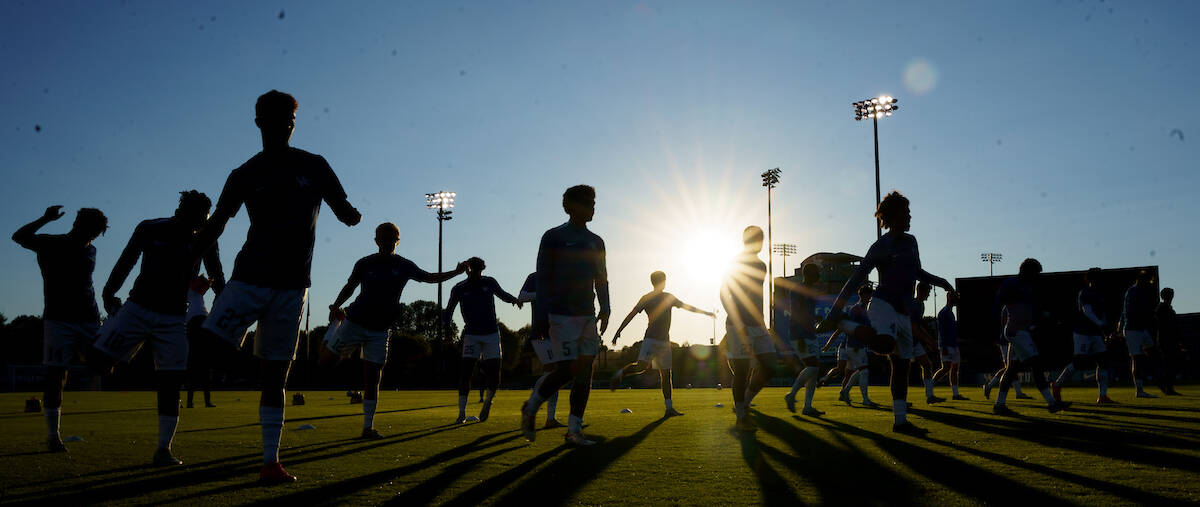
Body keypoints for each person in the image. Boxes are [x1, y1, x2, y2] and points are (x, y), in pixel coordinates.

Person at [194, 90, 363, 483]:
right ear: (258, 121)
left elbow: (342, 207)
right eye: (272, 116)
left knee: (277, 376)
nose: (281, 122)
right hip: (249, 277)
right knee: (208, 347)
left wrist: (351, 215)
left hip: (293, 286)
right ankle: (244, 357)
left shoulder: (314, 165)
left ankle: (270, 461)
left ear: (294, 122)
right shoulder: (245, 174)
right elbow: (218, 221)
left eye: (288, 116)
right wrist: (191, 256)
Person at [93, 191, 224, 466]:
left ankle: (163, 449)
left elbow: (217, 273)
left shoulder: (204, 239)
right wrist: (108, 292)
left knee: (171, 382)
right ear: (189, 212)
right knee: (98, 363)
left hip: (174, 318)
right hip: (137, 308)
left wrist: (226, 308)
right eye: (202, 215)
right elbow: (126, 260)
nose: (204, 221)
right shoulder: (150, 227)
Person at [817, 191, 954, 435]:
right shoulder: (881, 246)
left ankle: (900, 422)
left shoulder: (912, 241)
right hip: (882, 304)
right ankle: (844, 324)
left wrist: (941, 281)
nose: (910, 216)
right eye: (906, 212)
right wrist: (834, 312)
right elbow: (856, 278)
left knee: (901, 366)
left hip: (903, 311)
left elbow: (917, 272)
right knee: (884, 343)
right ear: (892, 216)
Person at [324, 222, 466, 436]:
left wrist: (456, 272)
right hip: (354, 322)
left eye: (391, 239)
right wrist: (336, 305)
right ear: (376, 240)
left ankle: (368, 427)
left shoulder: (404, 265)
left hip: (380, 330)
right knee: (326, 362)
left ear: (397, 241)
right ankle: (331, 333)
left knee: (373, 376)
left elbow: (430, 278)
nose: (387, 242)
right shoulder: (364, 263)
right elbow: (350, 287)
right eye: (383, 238)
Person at [12, 205, 108, 452]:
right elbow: (18, 237)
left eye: (96, 232)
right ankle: (53, 436)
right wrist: (45, 218)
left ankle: (89, 359)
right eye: (88, 228)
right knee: (56, 375)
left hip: (89, 319)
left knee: (103, 363)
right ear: (78, 225)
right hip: (58, 319)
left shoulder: (92, 250)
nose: (92, 235)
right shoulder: (51, 243)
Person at [520, 185, 610, 445]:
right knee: (568, 371)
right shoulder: (553, 237)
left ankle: (574, 430)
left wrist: (605, 307)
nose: (592, 207)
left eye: (594, 202)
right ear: (570, 206)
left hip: (587, 314)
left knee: (585, 371)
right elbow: (543, 279)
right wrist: (540, 317)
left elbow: (601, 278)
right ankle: (532, 405)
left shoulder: (597, 241)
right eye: (587, 202)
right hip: (561, 314)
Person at [609, 270, 714, 417]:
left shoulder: (669, 297)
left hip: (664, 341)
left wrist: (705, 313)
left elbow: (686, 306)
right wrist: (618, 331)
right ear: (662, 281)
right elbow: (632, 314)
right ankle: (620, 373)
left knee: (666, 374)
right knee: (641, 367)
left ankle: (669, 408)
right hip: (651, 339)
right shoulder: (647, 298)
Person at [444, 257, 520, 424]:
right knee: (466, 372)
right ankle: (461, 413)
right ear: (468, 269)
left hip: (492, 334)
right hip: (472, 335)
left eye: (479, 270)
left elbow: (502, 294)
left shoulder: (489, 282)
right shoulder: (459, 288)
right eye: (474, 270)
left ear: (482, 270)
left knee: (495, 371)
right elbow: (450, 308)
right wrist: (446, 325)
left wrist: (514, 300)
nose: (477, 274)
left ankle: (488, 401)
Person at [990, 258, 1071, 416]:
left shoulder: (1026, 286)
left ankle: (999, 405)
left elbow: (1028, 308)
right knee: (1036, 364)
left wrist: (1041, 315)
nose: (1037, 277)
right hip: (1017, 332)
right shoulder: (1012, 284)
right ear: (1027, 271)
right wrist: (997, 329)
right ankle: (1052, 403)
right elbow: (998, 303)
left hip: (1020, 332)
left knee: (1011, 370)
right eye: (1035, 273)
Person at [721, 226, 775, 431]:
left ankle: (746, 400)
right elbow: (724, 292)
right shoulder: (735, 263)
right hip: (738, 325)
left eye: (762, 239)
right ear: (746, 241)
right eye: (757, 239)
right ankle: (741, 416)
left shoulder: (761, 265)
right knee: (742, 372)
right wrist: (738, 321)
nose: (760, 242)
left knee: (770, 366)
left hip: (758, 325)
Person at [1050, 268, 1114, 404]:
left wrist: (1105, 330)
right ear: (1089, 279)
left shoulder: (1100, 293)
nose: (1098, 280)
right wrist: (1102, 325)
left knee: (1103, 361)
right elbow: (1087, 311)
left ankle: (1102, 396)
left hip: (1095, 333)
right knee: (1079, 362)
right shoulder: (1085, 292)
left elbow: (1101, 313)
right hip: (1082, 332)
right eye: (1095, 277)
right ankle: (1057, 384)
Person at [518, 272, 564, 429]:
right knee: (553, 372)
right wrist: (542, 294)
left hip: (558, 333)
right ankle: (532, 404)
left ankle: (550, 419)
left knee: (557, 374)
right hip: (541, 333)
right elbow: (522, 297)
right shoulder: (534, 277)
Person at [782, 263, 826, 416]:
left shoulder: (810, 290)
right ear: (808, 274)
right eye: (816, 272)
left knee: (813, 372)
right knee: (813, 367)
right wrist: (799, 335)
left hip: (810, 334)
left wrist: (816, 318)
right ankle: (792, 394)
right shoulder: (798, 290)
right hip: (800, 334)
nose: (818, 274)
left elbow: (807, 313)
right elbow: (796, 313)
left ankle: (808, 407)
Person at [826, 284, 877, 407]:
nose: (870, 297)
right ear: (863, 295)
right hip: (854, 346)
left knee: (860, 371)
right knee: (864, 371)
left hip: (858, 345)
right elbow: (850, 327)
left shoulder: (864, 310)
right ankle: (865, 399)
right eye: (869, 295)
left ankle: (845, 391)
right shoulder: (856, 310)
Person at [1119, 270, 1160, 399]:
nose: (1149, 283)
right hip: (1133, 329)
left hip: (1140, 329)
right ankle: (1139, 390)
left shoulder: (1139, 291)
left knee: (1151, 353)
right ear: (1141, 279)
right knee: (1137, 359)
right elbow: (1130, 311)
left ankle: (1153, 378)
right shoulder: (1133, 291)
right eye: (1148, 280)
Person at [908, 282, 946, 404]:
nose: (929, 295)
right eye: (928, 292)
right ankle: (901, 399)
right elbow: (913, 327)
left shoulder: (921, 305)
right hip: (906, 340)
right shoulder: (913, 305)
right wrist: (928, 341)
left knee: (927, 365)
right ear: (922, 292)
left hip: (914, 341)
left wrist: (929, 339)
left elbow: (918, 326)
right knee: (903, 369)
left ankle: (930, 396)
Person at [185, 276, 217, 409]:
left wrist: (208, 282)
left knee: (197, 362)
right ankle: (201, 401)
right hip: (200, 321)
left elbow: (202, 285)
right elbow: (197, 282)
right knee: (200, 363)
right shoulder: (191, 291)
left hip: (199, 321)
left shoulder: (196, 294)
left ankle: (192, 402)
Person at [931, 289, 967, 400]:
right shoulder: (943, 312)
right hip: (946, 345)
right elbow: (941, 331)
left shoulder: (951, 313)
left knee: (955, 369)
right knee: (946, 368)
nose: (957, 300)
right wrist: (944, 346)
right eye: (955, 297)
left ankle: (955, 394)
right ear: (950, 297)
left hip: (954, 345)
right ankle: (930, 386)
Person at [1156, 287, 1183, 396]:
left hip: (1170, 340)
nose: (1171, 297)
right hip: (1166, 340)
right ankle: (1167, 387)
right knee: (1168, 364)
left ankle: (1167, 386)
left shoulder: (1167, 309)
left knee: (1170, 364)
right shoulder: (1162, 308)